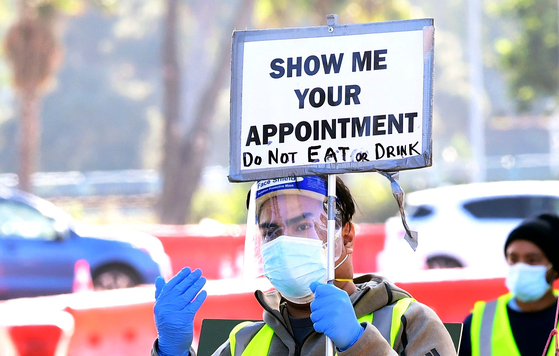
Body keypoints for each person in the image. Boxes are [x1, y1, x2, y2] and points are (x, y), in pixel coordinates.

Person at [152, 175, 456, 356]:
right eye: (271, 232)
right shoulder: (244, 344)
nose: (284, 243)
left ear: (346, 236)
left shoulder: (408, 322)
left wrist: (359, 344)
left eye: (302, 226)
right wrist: (171, 352)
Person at [458, 212, 559, 356]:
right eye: (513, 259)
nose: (520, 267)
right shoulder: (480, 321)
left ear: (554, 268)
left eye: (532, 260)